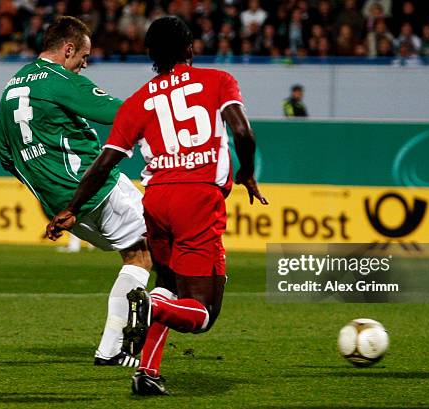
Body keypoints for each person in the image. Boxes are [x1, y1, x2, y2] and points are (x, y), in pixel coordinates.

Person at [46, 16, 268, 395]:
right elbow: (243, 132)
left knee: (167, 283)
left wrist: (71, 209)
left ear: (150, 55)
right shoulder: (218, 81)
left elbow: (104, 164)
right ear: (189, 48)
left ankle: (147, 373)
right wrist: (247, 173)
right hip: (198, 199)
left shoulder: (137, 101)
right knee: (202, 314)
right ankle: (150, 309)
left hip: (158, 201)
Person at [0, 16, 151, 368]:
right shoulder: (58, 80)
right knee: (158, 248)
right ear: (67, 49)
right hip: (94, 186)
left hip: (59, 203)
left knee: (137, 254)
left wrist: (46, 186)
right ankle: (135, 337)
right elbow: (121, 112)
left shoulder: (12, 85)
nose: (85, 63)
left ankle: (114, 348)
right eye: (83, 55)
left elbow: (5, 156)